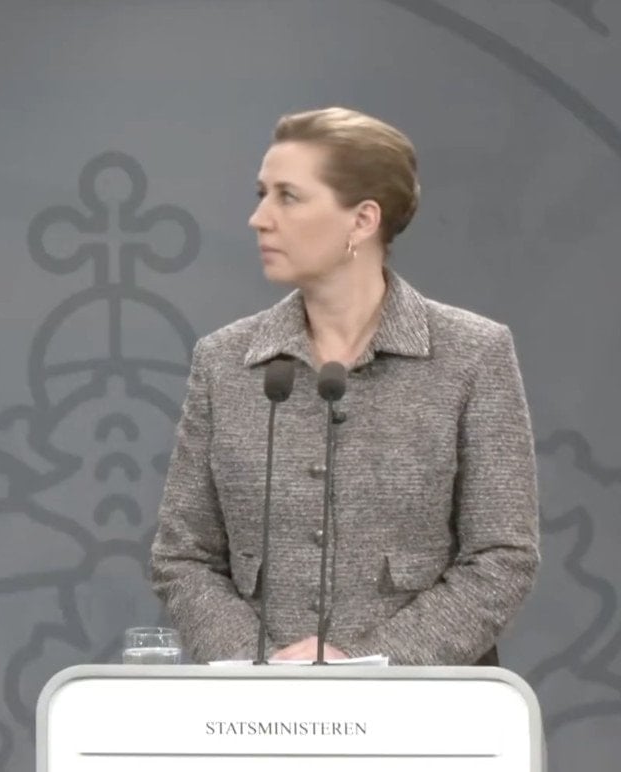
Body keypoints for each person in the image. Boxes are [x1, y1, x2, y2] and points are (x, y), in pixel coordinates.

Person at [150, 106, 539, 666]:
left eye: (288, 197)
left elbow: (503, 556)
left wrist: (369, 668)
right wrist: (261, 669)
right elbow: (183, 557)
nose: (259, 218)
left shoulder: (473, 354)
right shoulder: (224, 361)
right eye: (261, 194)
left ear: (362, 220)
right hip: (260, 707)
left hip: (424, 706)